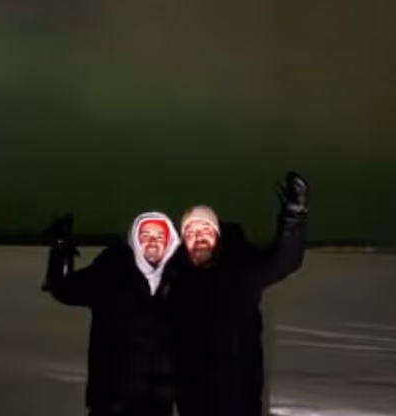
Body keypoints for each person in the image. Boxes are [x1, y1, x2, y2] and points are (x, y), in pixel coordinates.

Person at [171, 171, 309, 416]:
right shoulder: (178, 282)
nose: (198, 238)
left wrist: (293, 217)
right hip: (193, 403)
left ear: (217, 236)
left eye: (205, 231)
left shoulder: (239, 274)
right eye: (190, 233)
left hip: (237, 402)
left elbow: (283, 261)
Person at [42, 211, 184, 416]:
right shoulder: (175, 279)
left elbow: (62, 287)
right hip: (133, 396)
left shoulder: (113, 270)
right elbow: (64, 288)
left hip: (126, 395)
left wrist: (60, 245)